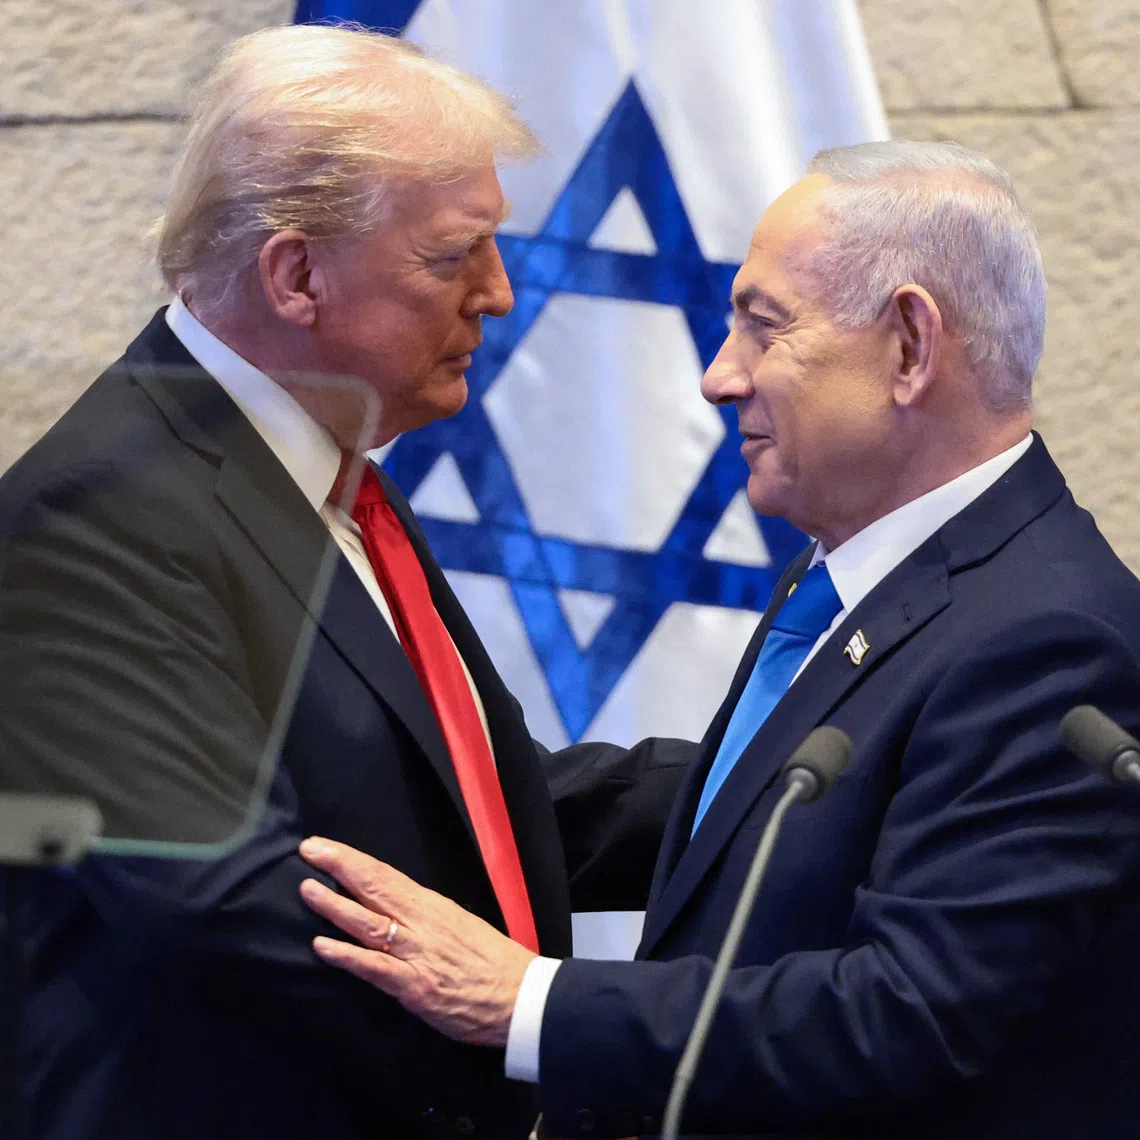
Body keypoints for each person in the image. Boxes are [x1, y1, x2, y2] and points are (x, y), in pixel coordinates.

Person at [298, 140, 1140, 1139]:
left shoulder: (1050, 641)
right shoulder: (866, 567)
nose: (717, 377)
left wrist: (523, 1001)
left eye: (762, 328)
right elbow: (761, 829)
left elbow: (909, 1014)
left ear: (910, 347)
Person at [0, 24, 680, 1140]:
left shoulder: (323, 456)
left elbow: (457, 810)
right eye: (452, 255)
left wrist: (791, 778)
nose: (500, 294)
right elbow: (237, 908)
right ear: (297, 274)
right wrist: (551, 1040)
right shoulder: (96, 518)